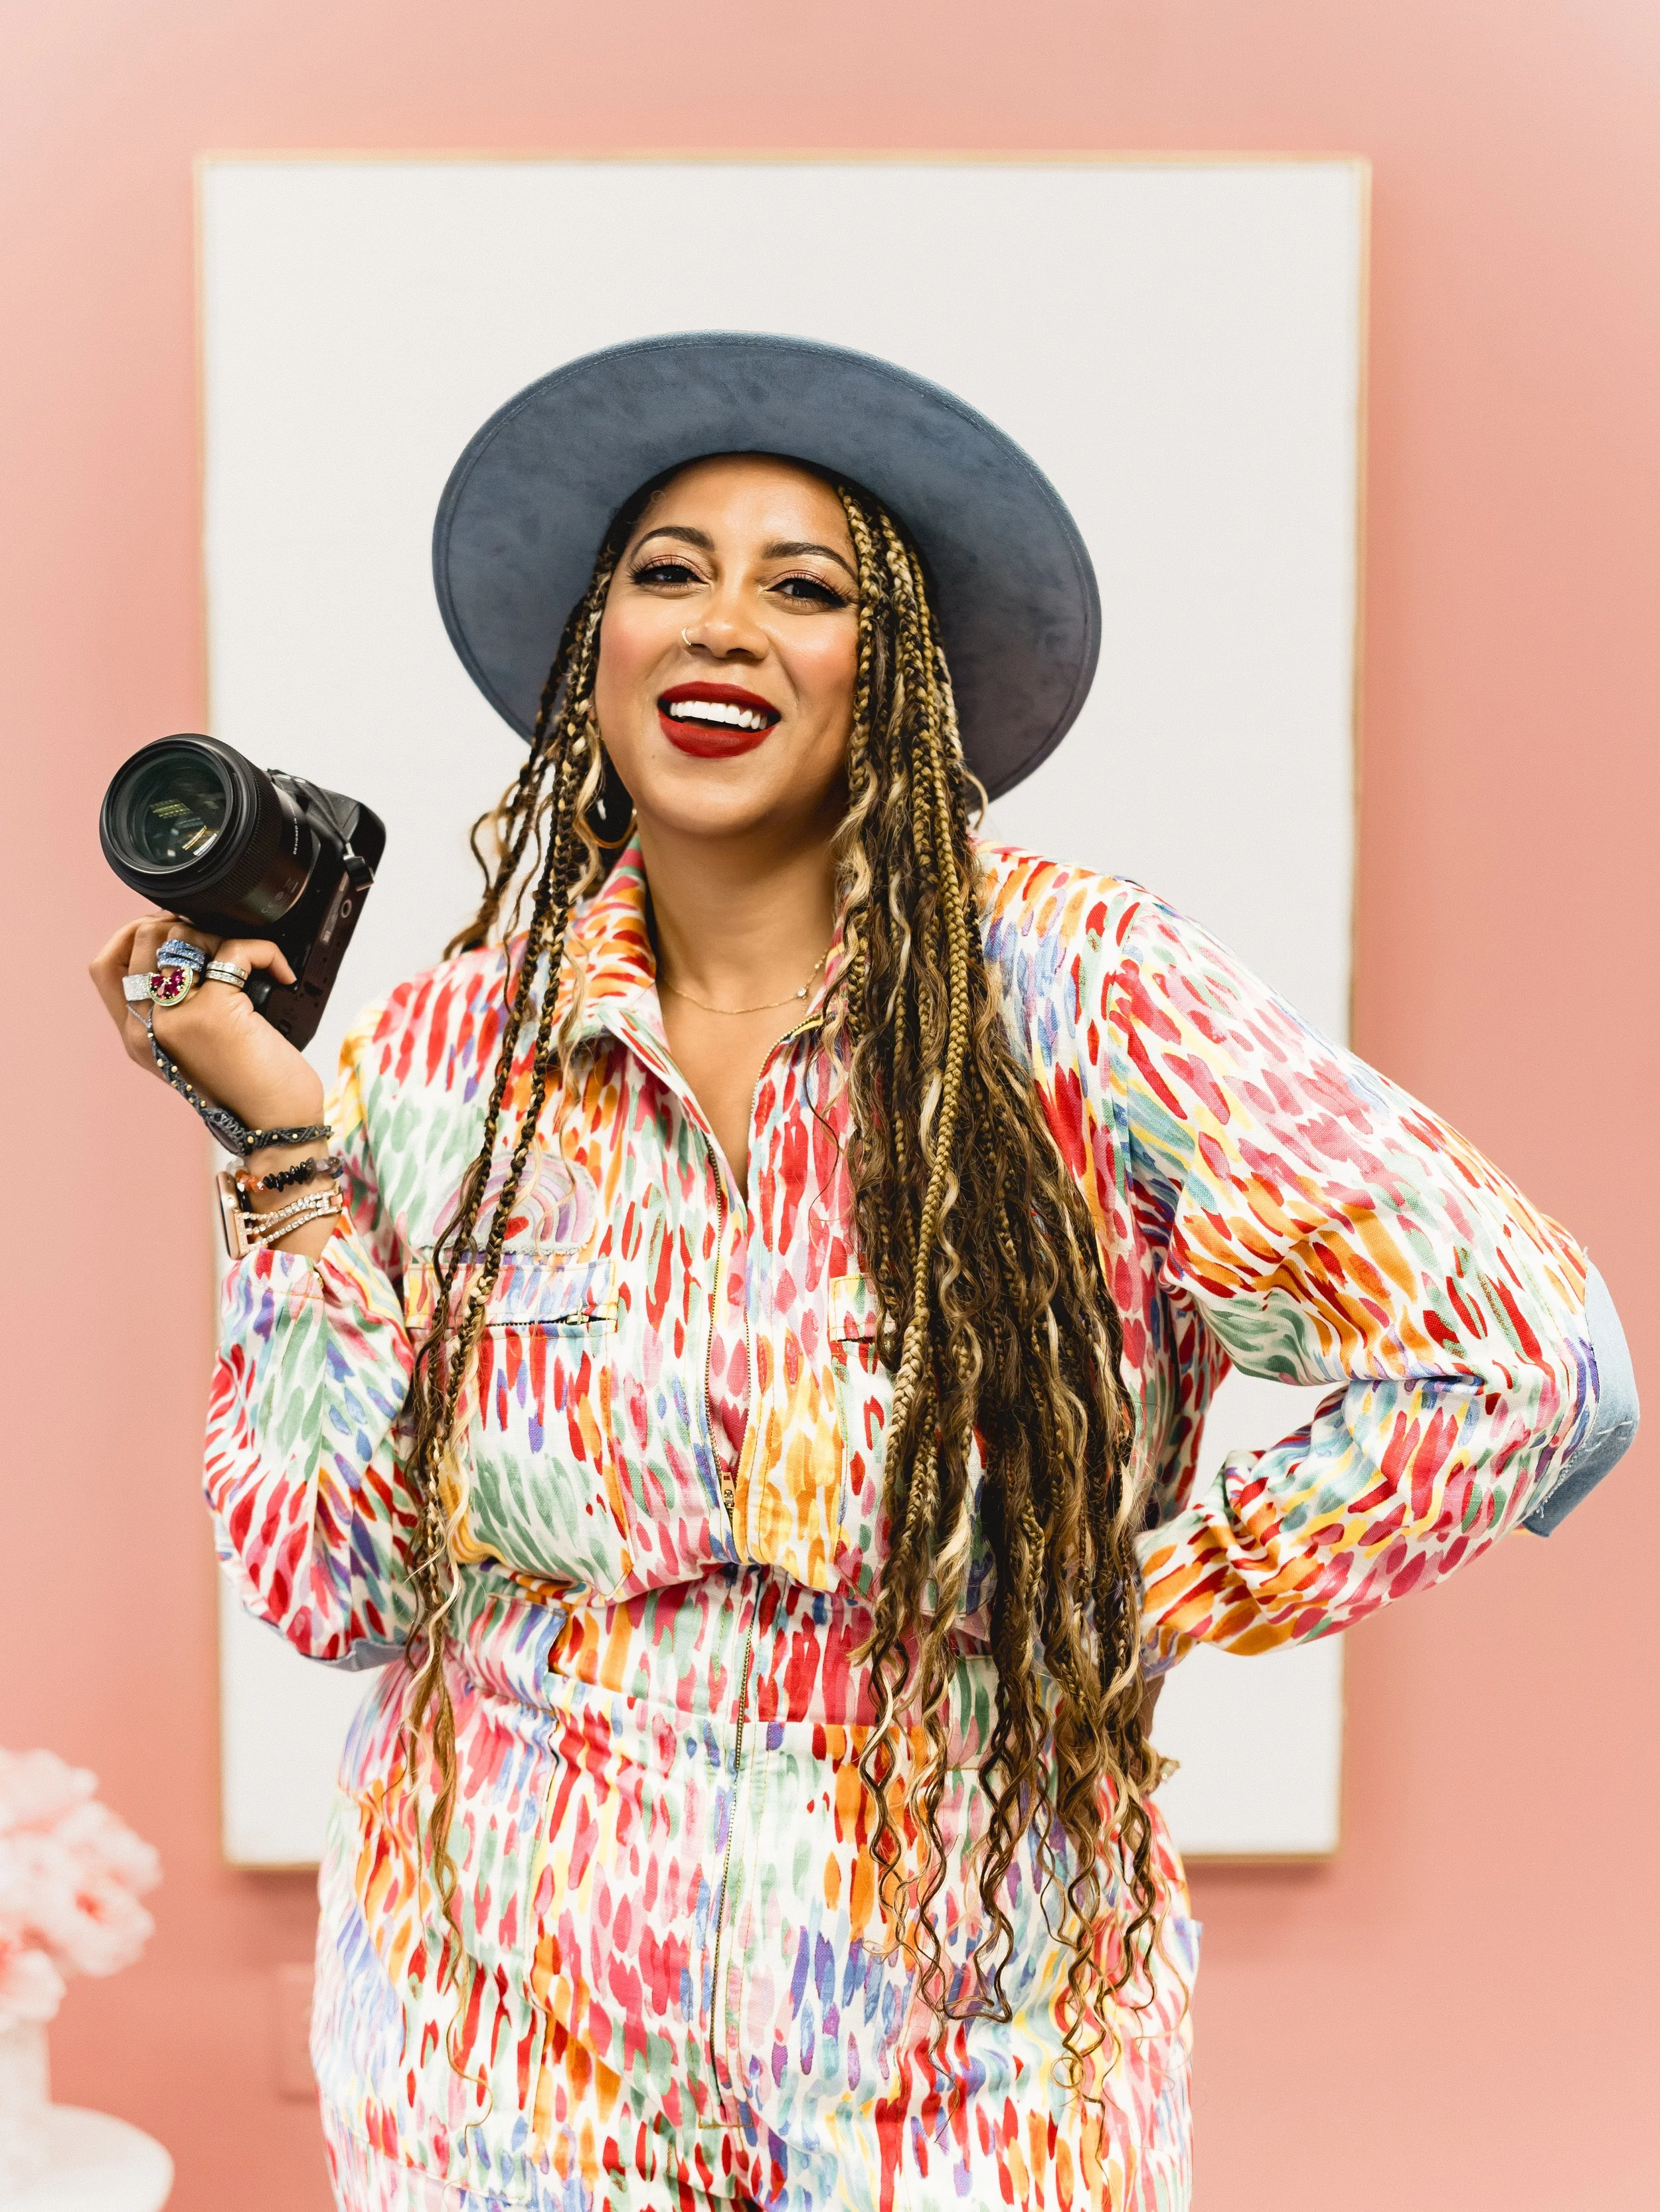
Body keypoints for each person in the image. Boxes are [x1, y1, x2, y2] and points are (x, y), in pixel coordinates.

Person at [91, 335, 1636, 2212]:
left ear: (892, 670)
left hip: (959, 2076)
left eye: (803, 585)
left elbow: (1522, 1359)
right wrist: (276, 1148)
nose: (722, 623)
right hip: (494, 2062)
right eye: (667, 570)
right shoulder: (438, 1062)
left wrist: (1128, 1598)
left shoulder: (1077, 994)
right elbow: (327, 1581)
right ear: (597, 648)